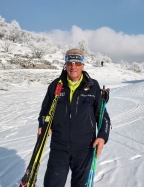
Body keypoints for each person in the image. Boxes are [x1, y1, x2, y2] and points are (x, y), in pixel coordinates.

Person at [38, 49, 111, 187]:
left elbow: (103, 116)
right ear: (65, 64)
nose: (73, 66)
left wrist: (102, 137)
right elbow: (44, 111)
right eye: (70, 63)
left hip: (84, 148)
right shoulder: (56, 85)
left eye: (77, 63)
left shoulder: (93, 86)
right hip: (59, 147)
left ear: (82, 65)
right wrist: (43, 125)